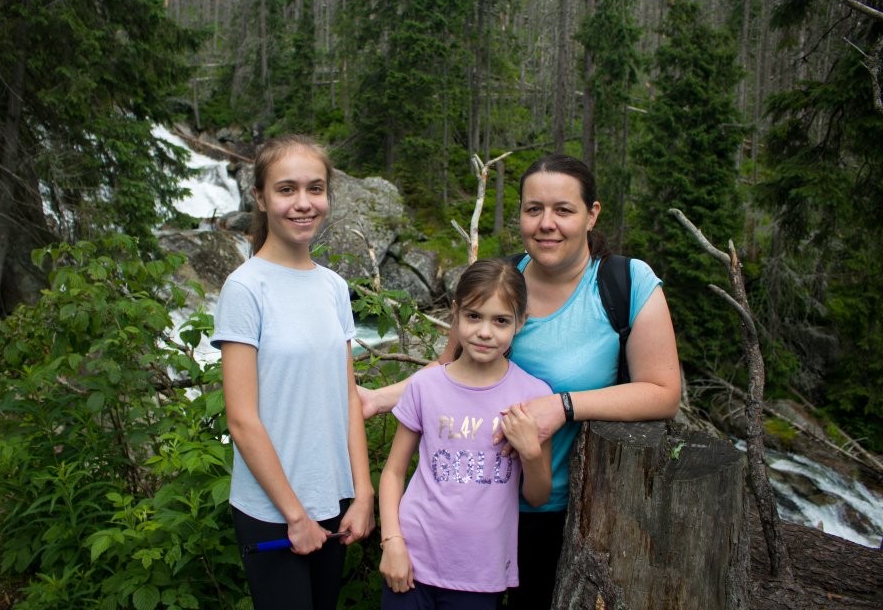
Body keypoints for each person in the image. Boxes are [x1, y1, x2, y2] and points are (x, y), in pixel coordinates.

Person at [362, 154, 681, 609]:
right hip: (464, 510)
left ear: (592, 214)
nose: (546, 223)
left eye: (563, 210)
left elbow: (663, 393)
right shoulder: (500, 284)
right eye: (534, 209)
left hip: (562, 511)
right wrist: (378, 398)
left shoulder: (624, 283)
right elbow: (447, 373)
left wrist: (563, 406)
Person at [211, 135, 375, 610]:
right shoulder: (245, 289)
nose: (303, 203)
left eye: (315, 188)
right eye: (286, 189)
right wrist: (296, 516)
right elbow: (242, 419)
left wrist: (363, 493)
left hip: (333, 497)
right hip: (272, 509)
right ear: (260, 198)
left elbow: (346, 395)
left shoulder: (334, 287)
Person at [379, 258, 553, 610]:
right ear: (455, 313)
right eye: (474, 316)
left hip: (480, 572)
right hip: (410, 559)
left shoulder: (533, 396)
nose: (485, 332)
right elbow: (393, 472)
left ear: (520, 322)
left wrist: (531, 453)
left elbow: (537, 496)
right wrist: (392, 541)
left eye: (501, 320)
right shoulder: (425, 386)